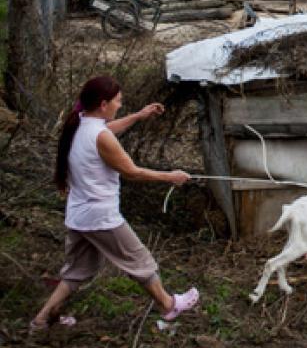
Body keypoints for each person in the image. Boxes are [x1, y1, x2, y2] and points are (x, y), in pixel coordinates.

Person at [30, 76, 199, 331]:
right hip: (100, 217)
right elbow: (132, 172)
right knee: (140, 261)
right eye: (118, 102)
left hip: (79, 214)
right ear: (103, 103)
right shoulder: (99, 136)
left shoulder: (81, 124)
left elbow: (107, 130)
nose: (120, 106)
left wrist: (138, 116)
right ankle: (168, 305)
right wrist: (170, 177)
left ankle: (41, 321)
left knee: (77, 271)